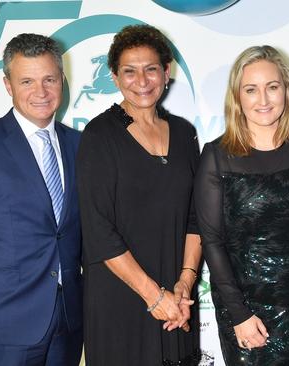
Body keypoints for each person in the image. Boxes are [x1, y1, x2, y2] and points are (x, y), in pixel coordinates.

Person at [0, 33, 83, 365]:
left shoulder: (80, 145)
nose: (41, 92)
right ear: (8, 85)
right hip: (5, 328)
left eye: (49, 79)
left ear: (62, 81)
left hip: (69, 321)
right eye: (27, 81)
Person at [195, 45, 289, 365]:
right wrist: (239, 314)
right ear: (237, 97)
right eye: (251, 90)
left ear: (287, 89)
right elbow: (212, 242)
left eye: (273, 87)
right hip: (247, 310)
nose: (264, 99)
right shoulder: (217, 156)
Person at [76, 24, 202, 366]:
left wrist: (184, 285)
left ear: (166, 72)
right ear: (115, 77)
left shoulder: (184, 132)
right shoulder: (99, 136)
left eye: (151, 69)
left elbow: (196, 216)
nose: (142, 81)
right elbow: (98, 229)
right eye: (129, 72)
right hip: (121, 297)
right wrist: (153, 296)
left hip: (178, 298)